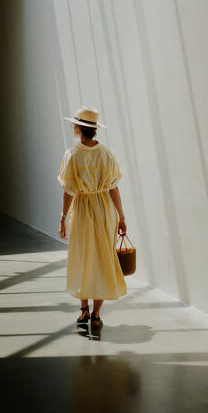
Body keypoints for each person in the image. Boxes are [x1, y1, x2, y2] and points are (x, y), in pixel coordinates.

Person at [58, 105, 127, 329]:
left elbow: (69, 190)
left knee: (82, 257)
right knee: (102, 258)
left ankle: (84, 309)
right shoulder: (107, 154)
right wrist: (122, 216)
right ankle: (96, 314)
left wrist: (62, 217)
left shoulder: (72, 155)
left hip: (83, 210)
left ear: (78, 128)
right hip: (105, 209)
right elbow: (114, 188)